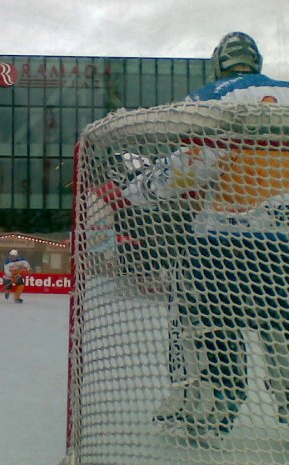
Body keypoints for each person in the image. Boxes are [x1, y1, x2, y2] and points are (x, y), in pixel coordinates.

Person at [118, 32, 289, 439]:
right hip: (284, 241)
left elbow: (192, 167)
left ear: (220, 62)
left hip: (222, 241)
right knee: (282, 326)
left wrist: (136, 188)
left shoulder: (213, 97)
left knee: (206, 324)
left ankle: (210, 408)